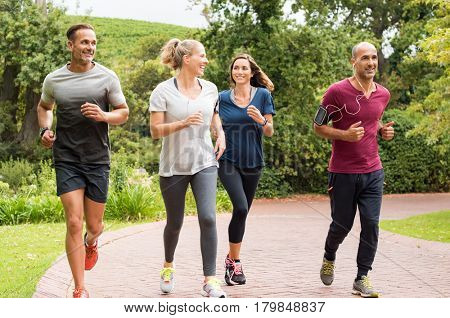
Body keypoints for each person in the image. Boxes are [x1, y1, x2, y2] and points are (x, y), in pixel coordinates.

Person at [37, 24, 129, 298]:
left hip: (97, 158)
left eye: (93, 43)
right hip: (67, 156)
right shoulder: (54, 80)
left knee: (94, 226)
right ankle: (79, 288)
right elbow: (44, 107)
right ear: (70, 45)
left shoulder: (107, 77)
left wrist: (103, 115)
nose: (90, 47)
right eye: (84, 43)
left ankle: (92, 242)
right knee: (73, 222)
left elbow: (123, 112)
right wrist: (45, 129)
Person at [313, 42, 395, 297]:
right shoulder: (336, 91)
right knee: (342, 225)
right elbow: (317, 126)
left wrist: (383, 130)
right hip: (343, 172)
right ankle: (329, 255)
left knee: (371, 224)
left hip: (373, 170)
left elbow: (374, 118)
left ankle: (362, 276)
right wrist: (344, 135)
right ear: (353, 62)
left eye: (374, 58)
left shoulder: (383, 94)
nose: (371, 63)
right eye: (364, 58)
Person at [149, 38, 227, 298]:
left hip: (204, 162)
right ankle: (168, 265)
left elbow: (214, 116)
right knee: (175, 222)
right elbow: (155, 131)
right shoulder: (162, 91)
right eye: (201, 56)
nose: (205, 60)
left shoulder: (211, 89)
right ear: (187, 59)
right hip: (173, 167)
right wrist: (182, 124)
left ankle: (211, 279)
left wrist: (221, 134)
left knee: (208, 217)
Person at [217, 53, 275, 286]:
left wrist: (261, 120)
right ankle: (237, 261)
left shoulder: (263, 95)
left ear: (252, 72)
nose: (239, 71)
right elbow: (214, 125)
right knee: (240, 206)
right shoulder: (221, 98)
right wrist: (217, 135)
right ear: (232, 72)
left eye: (244, 68)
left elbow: (270, 130)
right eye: (236, 68)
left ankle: (230, 261)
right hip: (227, 160)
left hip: (254, 162)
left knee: (242, 213)